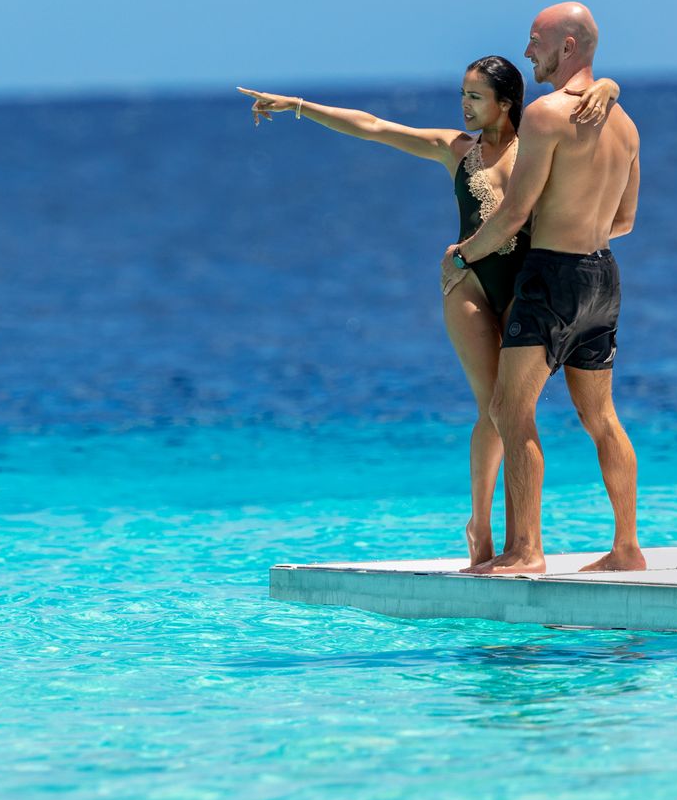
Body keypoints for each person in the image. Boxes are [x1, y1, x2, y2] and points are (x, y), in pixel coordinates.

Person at [236, 63, 621, 566]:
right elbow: (376, 127)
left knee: (515, 413)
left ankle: (517, 543)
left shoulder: (542, 141)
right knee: (494, 409)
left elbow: (589, 114)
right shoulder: (457, 149)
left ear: (506, 102)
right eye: (463, 94)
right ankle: (482, 528)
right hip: (469, 288)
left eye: (476, 97)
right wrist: (300, 107)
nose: (464, 105)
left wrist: (610, 87)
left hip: (530, 290)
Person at [448, 2, 643, 575]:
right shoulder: (625, 124)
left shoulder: (545, 115)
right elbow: (626, 220)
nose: (528, 50)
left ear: (568, 46)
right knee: (602, 418)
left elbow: (511, 214)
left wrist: (464, 254)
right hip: (602, 276)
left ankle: (525, 550)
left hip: (551, 277)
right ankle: (627, 548)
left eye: (536, 41)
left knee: (511, 409)